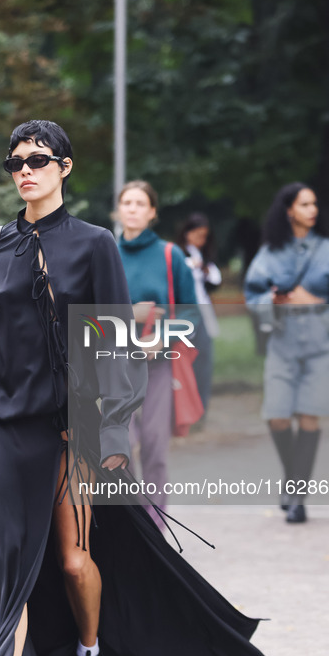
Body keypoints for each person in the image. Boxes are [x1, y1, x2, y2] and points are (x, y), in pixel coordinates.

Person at [0, 121, 271, 656]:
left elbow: (114, 346)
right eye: (14, 162)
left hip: (68, 431)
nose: (24, 171)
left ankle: (87, 654)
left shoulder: (94, 246)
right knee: (10, 569)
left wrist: (105, 432)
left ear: (64, 167)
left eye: (37, 160)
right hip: (5, 425)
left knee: (70, 559)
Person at [244, 182, 329, 524]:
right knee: (278, 415)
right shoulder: (271, 250)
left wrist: (317, 305)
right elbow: (253, 297)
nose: (313, 210)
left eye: (314, 204)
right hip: (282, 345)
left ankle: (297, 497)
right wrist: (274, 302)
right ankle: (292, 476)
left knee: (309, 416)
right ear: (288, 211)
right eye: (304, 204)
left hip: (322, 346)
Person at [116, 181, 197, 527]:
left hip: (158, 365)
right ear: (118, 210)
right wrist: (129, 316)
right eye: (126, 202)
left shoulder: (169, 255)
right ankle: (132, 520)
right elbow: (83, 312)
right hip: (113, 364)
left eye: (140, 203)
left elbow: (191, 314)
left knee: (153, 444)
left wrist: (159, 340)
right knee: (120, 444)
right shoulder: (104, 252)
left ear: (152, 213)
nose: (132, 208)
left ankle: (155, 524)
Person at [177, 213, 222, 416]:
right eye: (196, 234)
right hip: (183, 314)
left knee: (204, 360)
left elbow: (214, 280)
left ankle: (200, 409)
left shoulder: (204, 257)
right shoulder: (178, 254)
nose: (199, 239)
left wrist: (203, 269)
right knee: (183, 363)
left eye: (204, 235)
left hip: (201, 312)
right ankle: (184, 410)